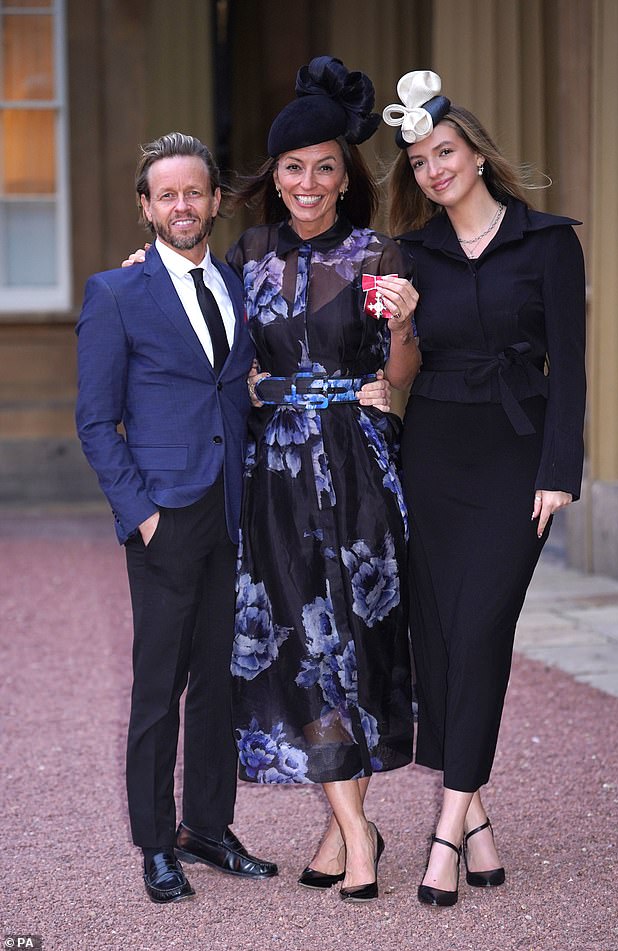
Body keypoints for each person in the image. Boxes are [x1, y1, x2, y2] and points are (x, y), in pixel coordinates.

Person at [382, 71, 586, 906]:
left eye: (446, 152)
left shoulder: (548, 243)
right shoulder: (411, 251)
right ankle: (479, 822)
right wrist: (395, 326)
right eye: (421, 161)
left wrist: (558, 472)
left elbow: (569, 369)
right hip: (431, 451)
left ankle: (444, 831)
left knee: (484, 629)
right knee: (438, 639)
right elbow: (396, 369)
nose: (435, 170)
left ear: (474, 153)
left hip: (514, 456)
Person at [227, 56, 420, 902]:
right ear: (276, 177)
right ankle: (356, 830)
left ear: (347, 177)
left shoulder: (379, 251)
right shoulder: (248, 254)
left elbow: (403, 368)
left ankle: (352, 832)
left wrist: (405, 328)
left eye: (324, 168)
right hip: (277, 471)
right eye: (293, 168)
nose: (308, 183)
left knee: (358, 643)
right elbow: (219, 351)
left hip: (357, 465)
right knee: (306, 645)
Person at [75, 132, 278, 904]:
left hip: (231, 505)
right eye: (167, 194)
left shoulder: (234, 283)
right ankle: (156, 842)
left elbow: (240, 384)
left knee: (219, 678)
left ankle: (207, 827)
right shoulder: (116, 293)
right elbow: (96, 421)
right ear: (146, 205)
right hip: (165, 514)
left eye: (195, 192)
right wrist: (141, 515)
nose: (182, 205)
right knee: (158, 685)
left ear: (215, 201)